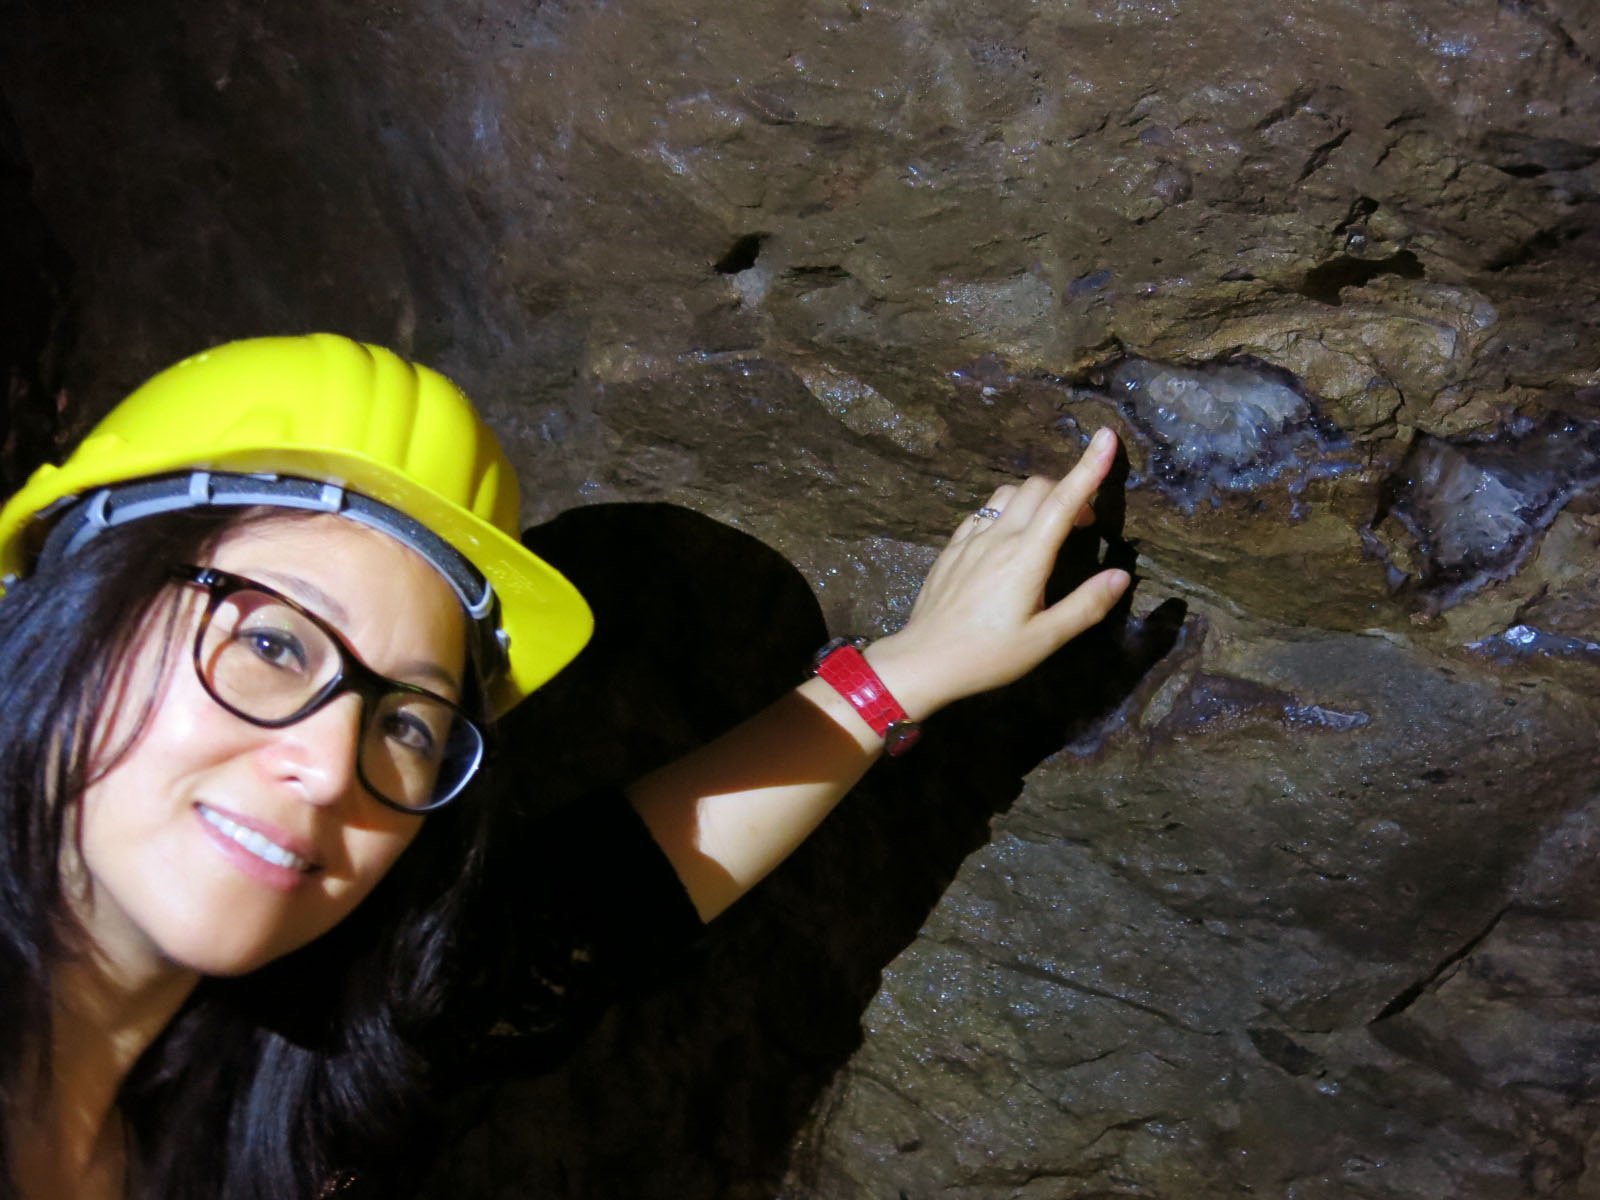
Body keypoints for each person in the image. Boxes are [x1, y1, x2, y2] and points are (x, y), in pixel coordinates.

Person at [0, 333, 1130, 1199]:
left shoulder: (258, 1080)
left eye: (407, 723)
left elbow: (568, 920)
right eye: (271, 644)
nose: (329, 764)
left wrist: (905, 672)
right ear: (64, 611)